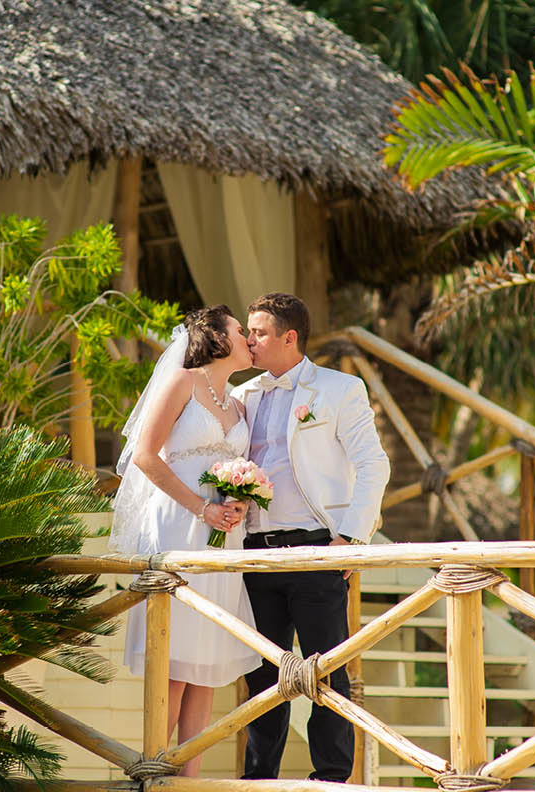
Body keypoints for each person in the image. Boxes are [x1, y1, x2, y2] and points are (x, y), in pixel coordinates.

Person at [233, 293, 390, 783]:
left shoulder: (340, 389)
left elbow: (372, 464)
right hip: (254, 554)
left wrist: (352, 538)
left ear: (289, 337)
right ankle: (259, 780)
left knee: (327, 674)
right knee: (260, 677)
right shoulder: (242, 395)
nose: (248, 340)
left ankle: (332, 779)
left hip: (317, 547)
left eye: (257, 332)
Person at [111, 305, 262, 777]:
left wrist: (239, 503)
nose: (250, 339)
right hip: (178, 524)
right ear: (217, 337)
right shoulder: (182, 381)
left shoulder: (239, 403)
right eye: (241, 331)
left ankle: (189, 781)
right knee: (175, 659)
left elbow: (242, 470)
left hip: (222, 536)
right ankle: (154, 774)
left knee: (207, 661)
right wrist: (200, 507)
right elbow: (144, 456)